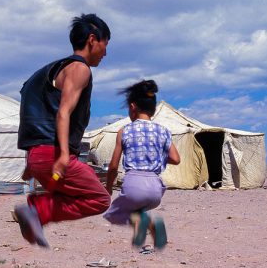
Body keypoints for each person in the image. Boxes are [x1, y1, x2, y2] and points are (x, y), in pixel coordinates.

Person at [14, 13, 112, 247]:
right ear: (92, 40)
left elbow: (40, 113)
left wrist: (32, 164)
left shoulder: (45, 72)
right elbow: (63, 112)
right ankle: (37, 211)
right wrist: (65, 156)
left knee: (69, 195)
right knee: (100, 199)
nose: (105, 53)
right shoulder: (79, 68)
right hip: (55, 156)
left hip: (39, 156)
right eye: (105, 45)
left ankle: (37, 213)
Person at [103, 80, 180, 250]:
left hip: (133, 185)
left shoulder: (125, 130)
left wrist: (108, 187)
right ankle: (141, 232)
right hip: (155, 189)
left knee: (114, 214)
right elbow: (176, 159)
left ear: (132, 107)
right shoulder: (163, 131)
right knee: (138, 210)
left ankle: (148, 224)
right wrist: (155, 155)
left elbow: (114, 165)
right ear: (153, 109)